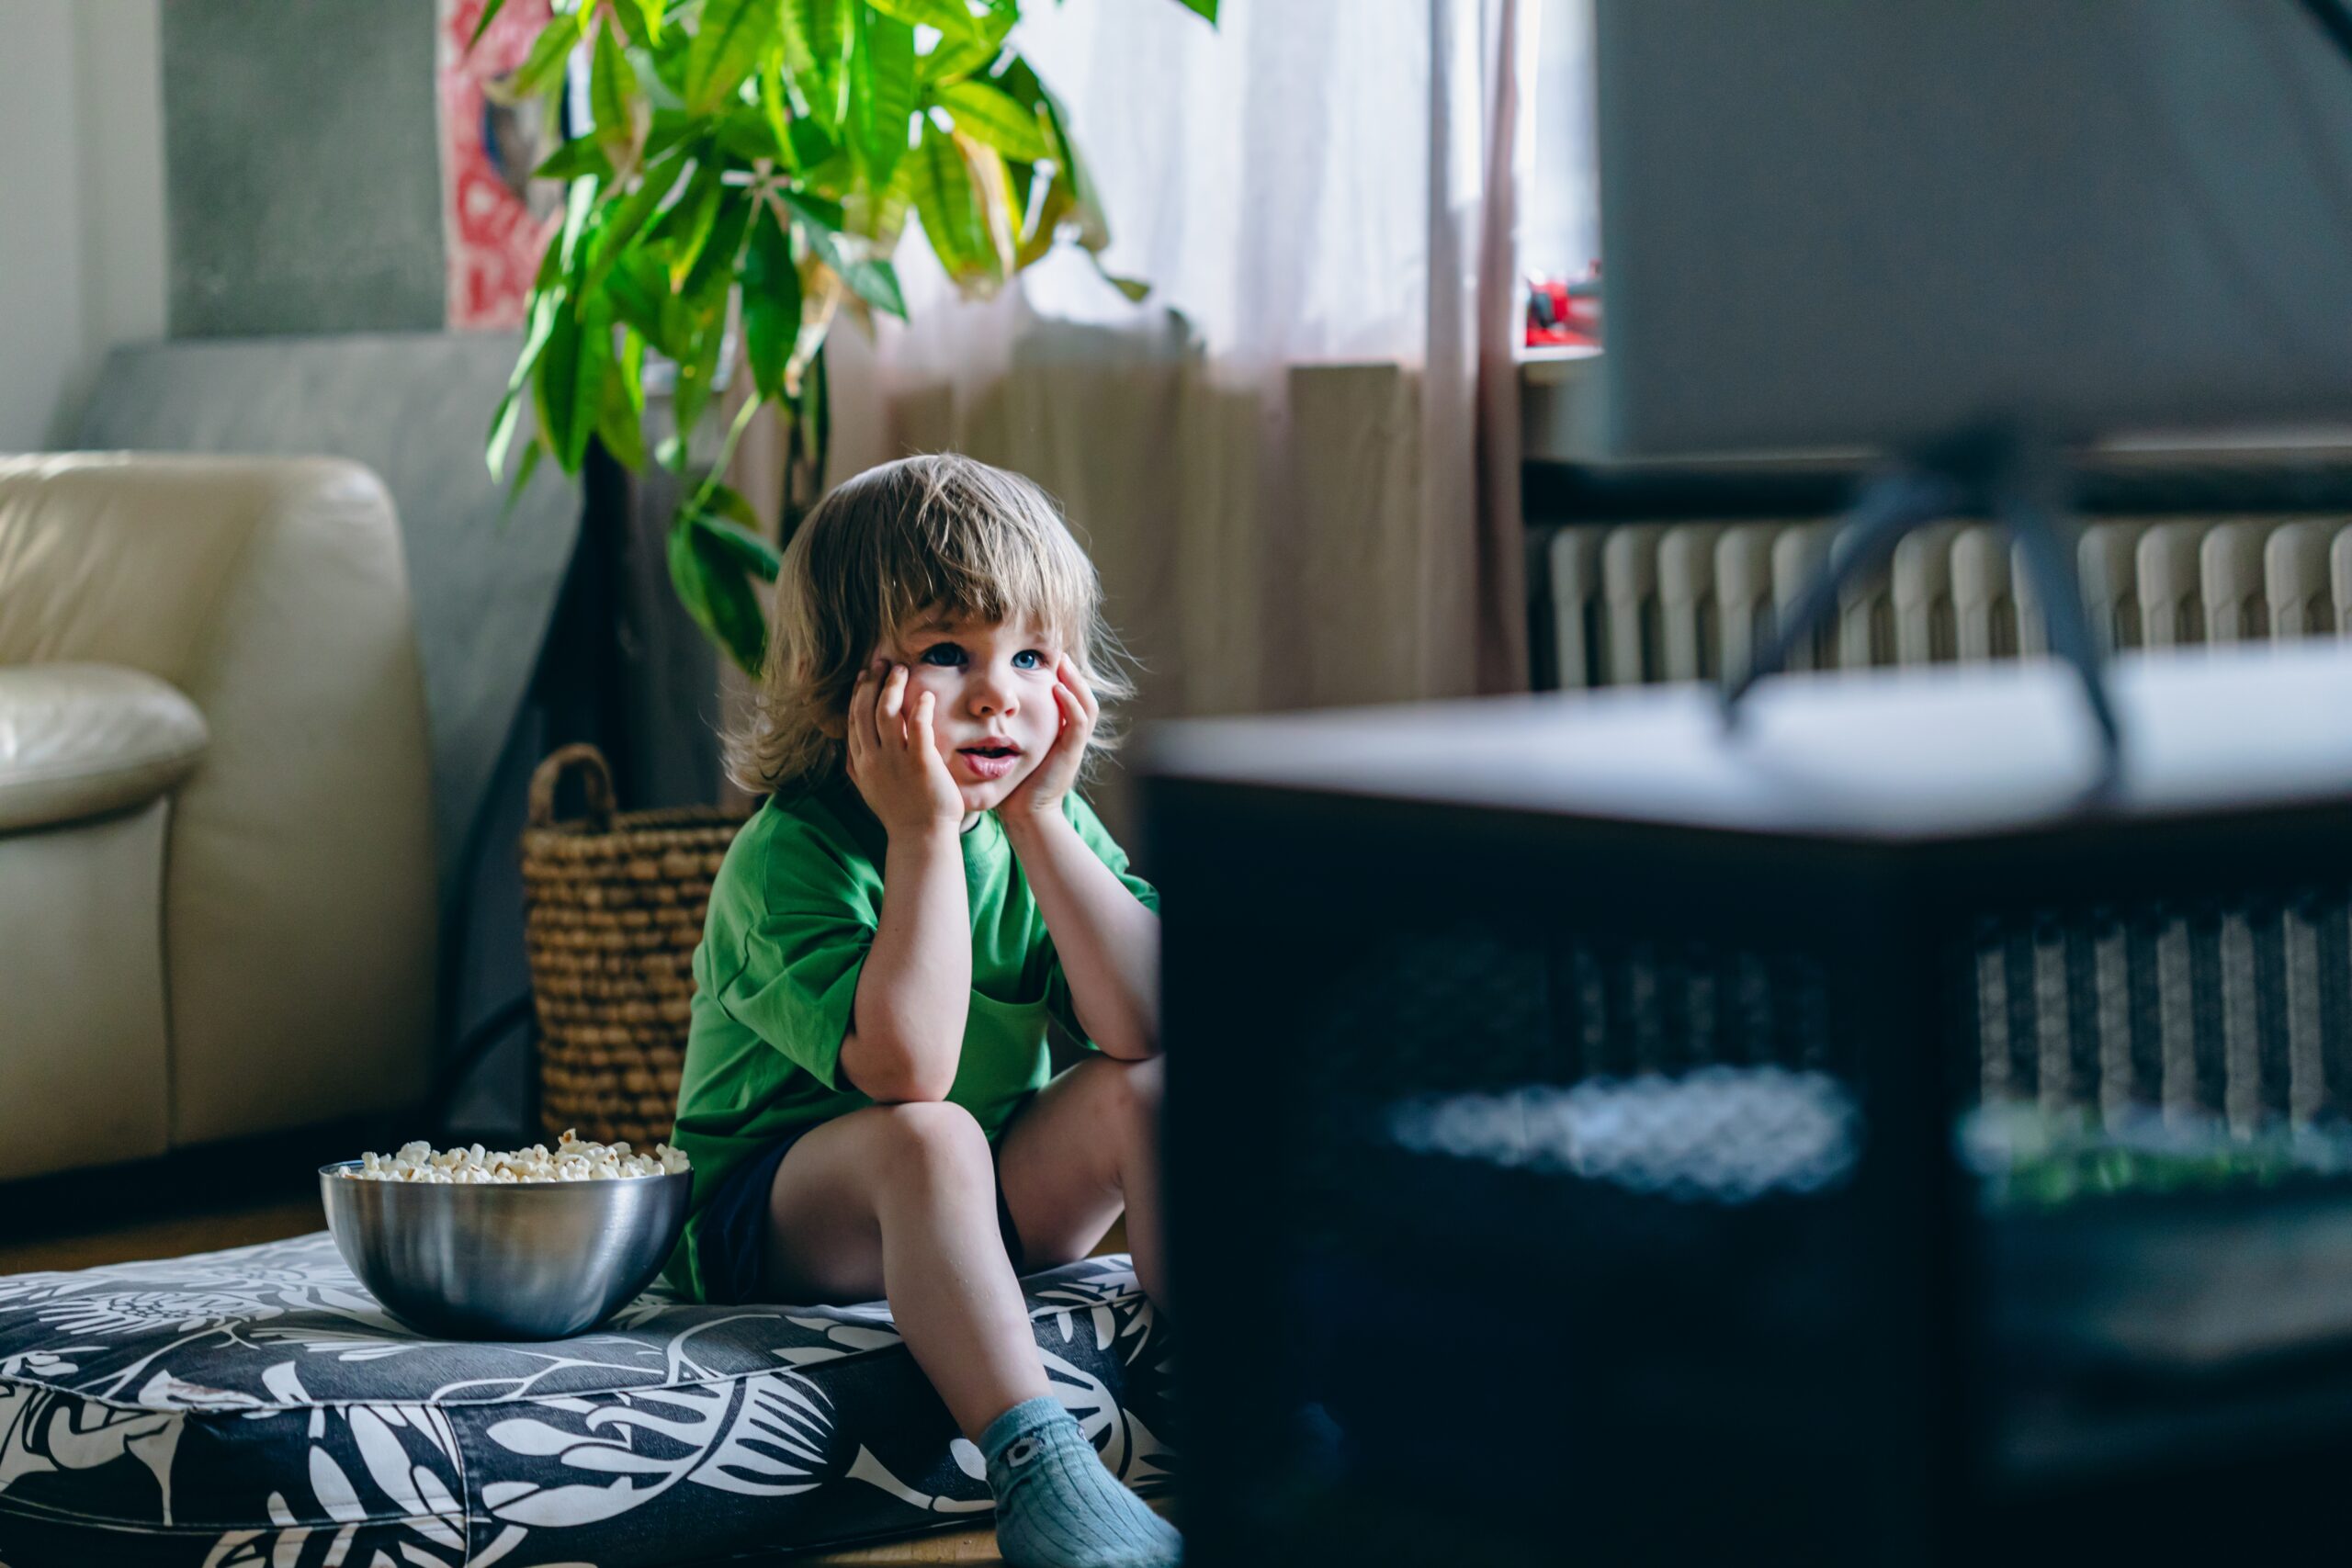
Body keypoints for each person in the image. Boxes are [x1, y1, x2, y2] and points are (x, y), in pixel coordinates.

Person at [664, 453, 1180, 1568]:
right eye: (950, 654)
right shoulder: (789, 855)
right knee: (928, 1132)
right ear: (847, 681)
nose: (1000, 694)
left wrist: (1043, 820)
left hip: (974, 1197)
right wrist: (922, 836)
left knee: (1150, 1089)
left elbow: (1142, 1023)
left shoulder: (1036, 824)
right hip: (772, 1222)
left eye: (1033, 656)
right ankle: (1039, 1465)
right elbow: (908, 1073)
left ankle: (1248, 1401)